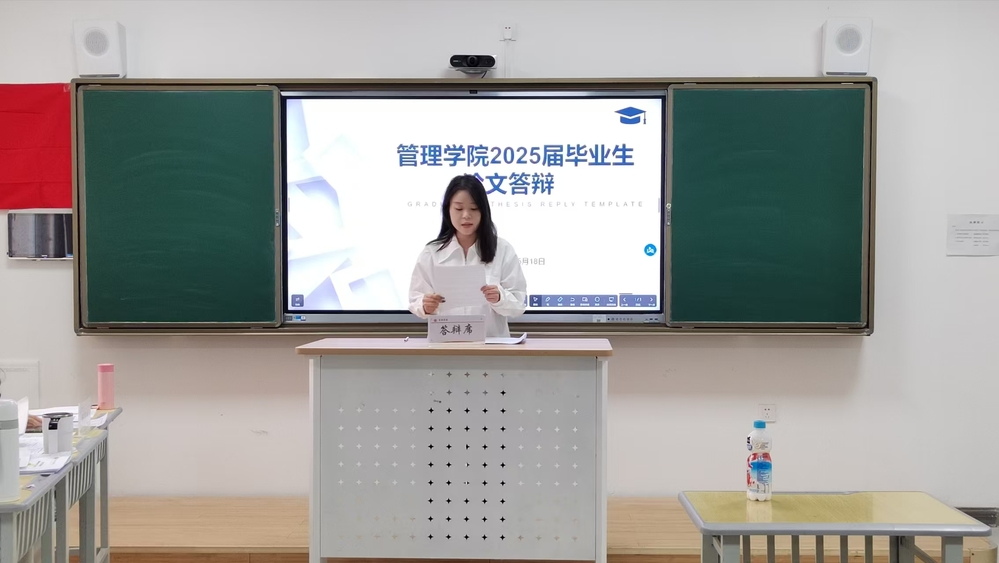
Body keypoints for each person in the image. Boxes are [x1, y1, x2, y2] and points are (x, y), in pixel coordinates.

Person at [409, 174, 527, 338]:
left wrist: (500, 298)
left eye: (473, 208)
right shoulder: (431, 253)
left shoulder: (502, 249)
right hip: (445, 346)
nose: (466, 215)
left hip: (492, 346)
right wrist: (425, 305)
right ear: (448, 210)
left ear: (483, 211)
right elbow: (415, 299)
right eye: (458, 209)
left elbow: (519, 304)